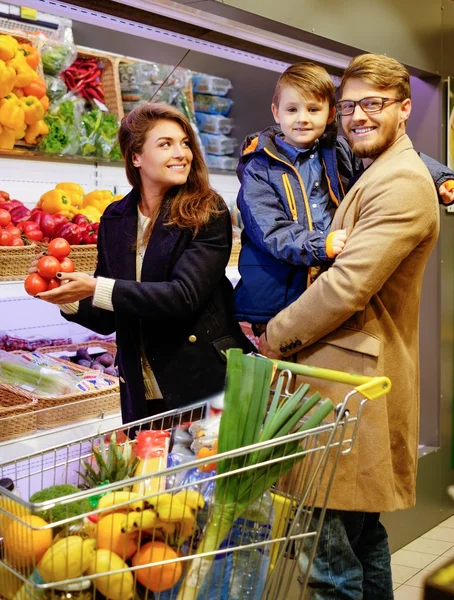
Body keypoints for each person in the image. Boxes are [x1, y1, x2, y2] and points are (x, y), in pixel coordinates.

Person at [258, 53, 441, 599]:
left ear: (404, 109)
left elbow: (346, 287)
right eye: (349, 106)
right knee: (360, 542)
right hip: (352, 387)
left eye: (374, 104)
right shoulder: (379, 171)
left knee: (327, 563)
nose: (358, 116)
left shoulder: (401, 183)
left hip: (345, 388)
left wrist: (272, 337)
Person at [34, 102, 254, 424]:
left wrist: (97, 287)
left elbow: (184, 296)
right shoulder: (115, 217)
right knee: (153, 472)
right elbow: (109, 318)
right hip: (141, 388)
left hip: (202, 379)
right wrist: (66, 296)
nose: (182, 153)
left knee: (204, 471)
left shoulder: (208, 211)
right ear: (136, 157)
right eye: (165, 144)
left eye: (185, 143)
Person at [234, 61, 454, 338]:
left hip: (319, 292)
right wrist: (320, 245)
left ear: (330, 114)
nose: (302, 118)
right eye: (292, 109)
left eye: (313, 109)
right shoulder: (259, 166)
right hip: (272, 301)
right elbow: (269, 230)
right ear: (276, 113)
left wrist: (438, 176)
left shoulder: (338, 150)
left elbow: (391, 161)